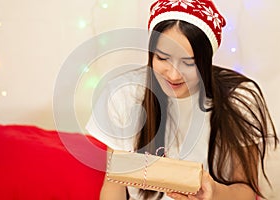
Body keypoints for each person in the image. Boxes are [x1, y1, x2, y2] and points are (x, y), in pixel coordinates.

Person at [85, 0, 279, 199]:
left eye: (189, 62)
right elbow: (114, 184)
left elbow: (246, 192)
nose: (174, 75)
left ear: (206, 59)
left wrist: (213, 193)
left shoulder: (238, 98)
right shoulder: (124, 95)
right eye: (162, 58)